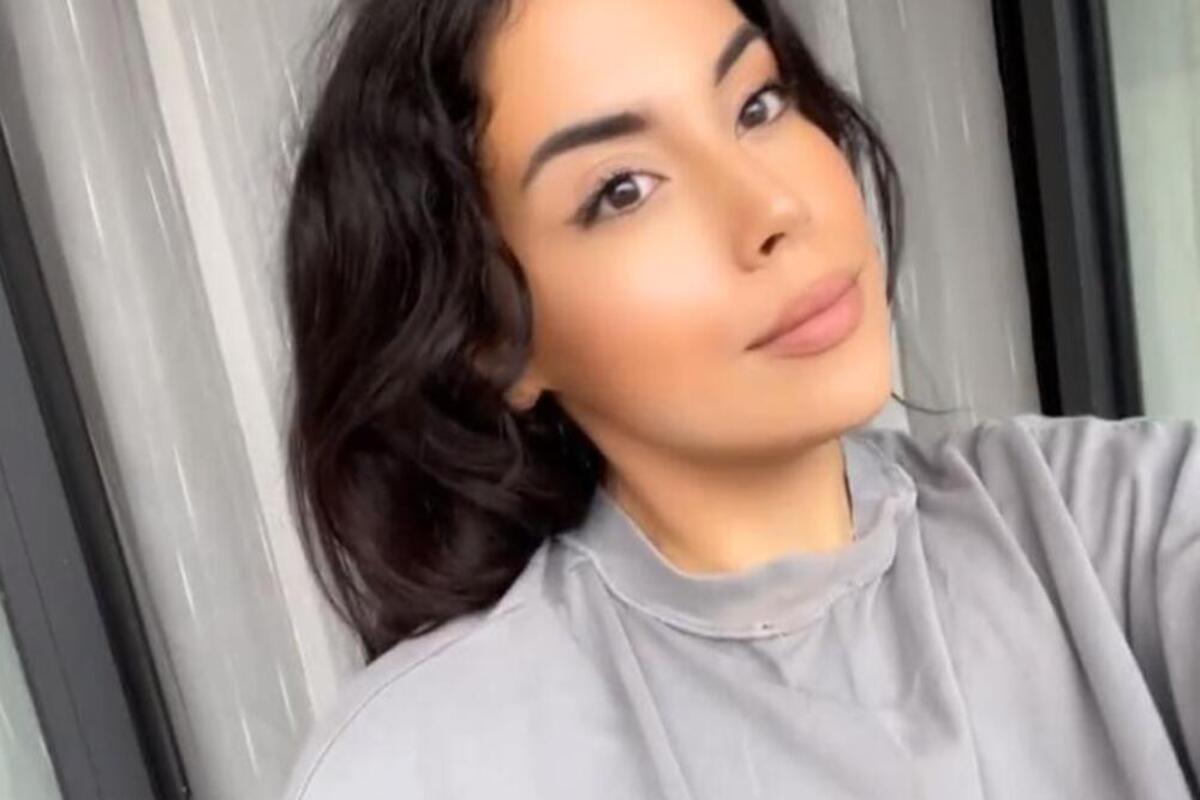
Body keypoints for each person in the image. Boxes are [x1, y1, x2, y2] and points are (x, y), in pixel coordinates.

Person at [278, 0, 1200, 797]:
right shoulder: (420, 763)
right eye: (623, 190)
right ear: (491, 340)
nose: (772, 207)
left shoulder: (1113, 525)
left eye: (757, 104)